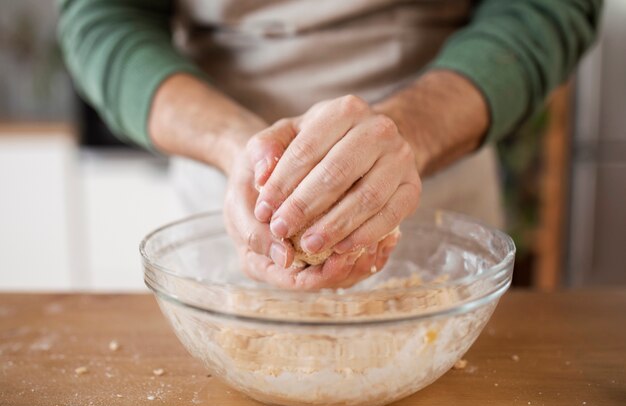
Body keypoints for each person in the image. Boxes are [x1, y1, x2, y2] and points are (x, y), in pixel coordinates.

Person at [58, 0, 602, 289]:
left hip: (437, 189)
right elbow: (101, 16)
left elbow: (546, 9)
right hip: (228, 200)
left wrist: (408, 129)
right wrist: (235, 146)